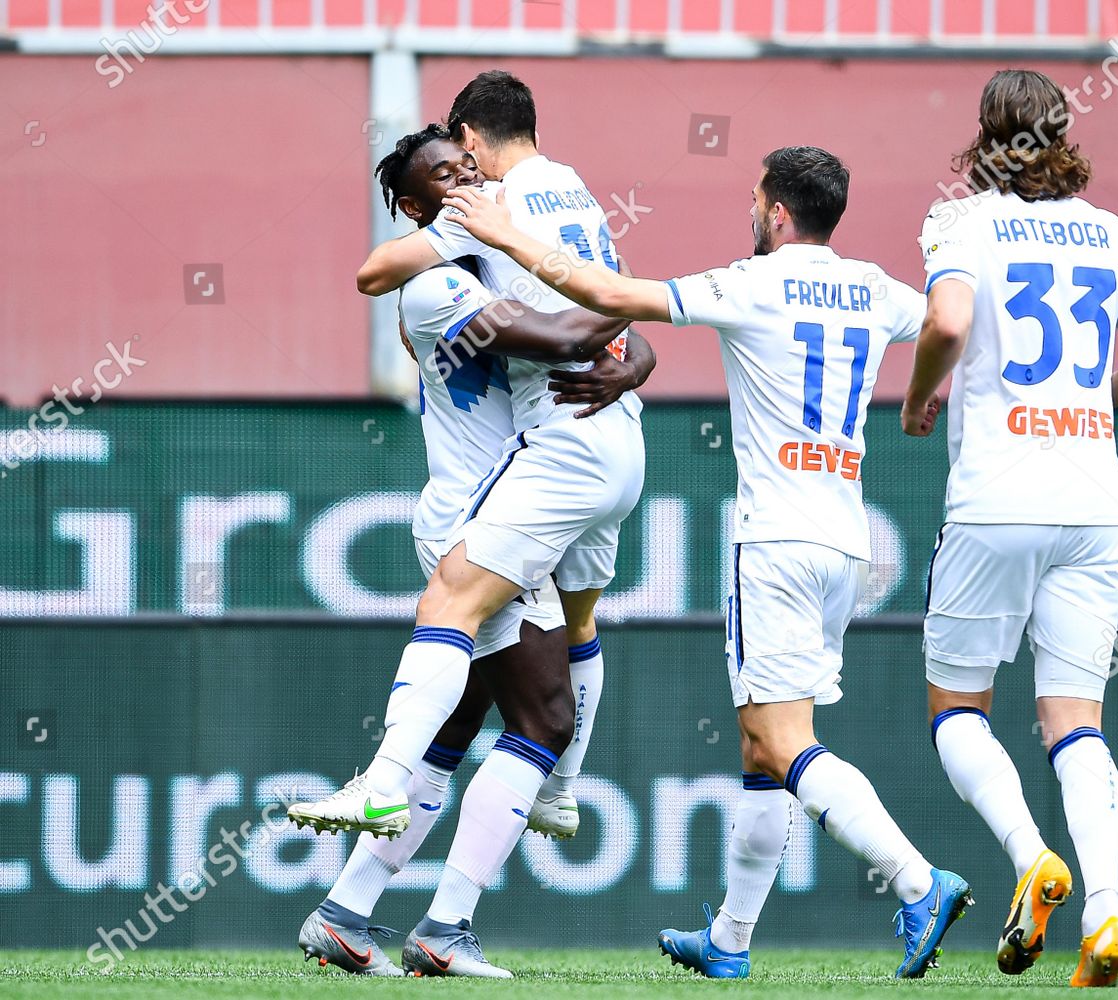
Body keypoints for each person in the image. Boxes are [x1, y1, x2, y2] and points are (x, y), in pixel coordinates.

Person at [439, 145, 972, 980]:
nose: (750, 214)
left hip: (774, 539)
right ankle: (728, 940)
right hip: (845, 538)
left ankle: (917, 881)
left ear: (777, 214)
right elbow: (949, 322)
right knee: (762, 751)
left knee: (782, 739)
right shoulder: (874, 287)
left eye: (755, 201)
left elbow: (609, 296)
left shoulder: (751, 282)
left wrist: (506, 235)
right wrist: (937, 319)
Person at [295, 124, 655, 978]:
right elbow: (566, 335)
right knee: (543, 718)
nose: (467, 182)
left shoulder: (491, 260)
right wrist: (638, 307)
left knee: (460, 723)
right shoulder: (435, 289)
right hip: (475, 518)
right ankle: (442, 924)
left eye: (468, 168)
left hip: (514, 510)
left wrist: (633, 355)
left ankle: (345, 917)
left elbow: (588, 331)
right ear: (419, 212)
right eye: (444, 181)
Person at [901, 68, 1118, 988]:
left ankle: (1032, 858)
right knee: (1076, 724)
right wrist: (1081, 404)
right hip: (1094, 504)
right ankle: (1106, 913)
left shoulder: (961, 221)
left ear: (985, 134)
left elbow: (945, 321)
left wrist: (918, 396)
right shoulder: (1109, 232)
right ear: (1062, 137)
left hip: (995, 498)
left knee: (957, 711)